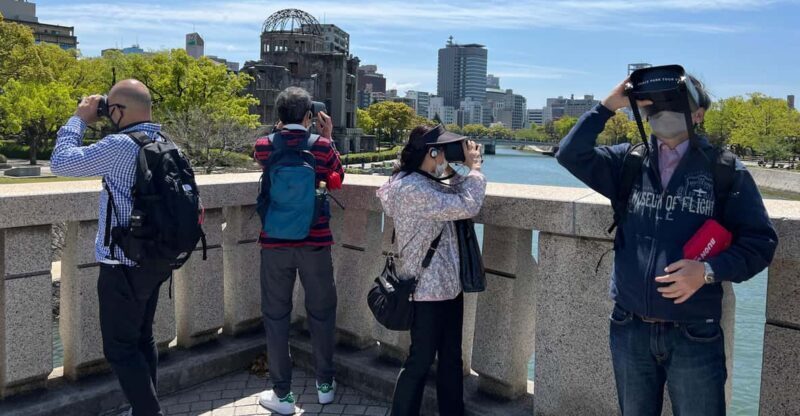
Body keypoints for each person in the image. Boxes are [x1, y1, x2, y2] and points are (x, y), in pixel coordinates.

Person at [556, 71, 778, 416]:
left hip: (694, 331)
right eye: (653, 106)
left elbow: (760, 242)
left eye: (673, 103)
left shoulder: (725, 170)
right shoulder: (628, 162)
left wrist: (707, 270)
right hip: (629, 326)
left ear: (699, 114)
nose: (661, 112)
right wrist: (611, 104)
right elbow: (570, 154)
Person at [51, 80, 169, 416]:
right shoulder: (164, 141)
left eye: (110, 110)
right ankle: (144, 407)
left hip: (122, 263)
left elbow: (61, 162)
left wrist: (80, 120)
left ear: (119, 111)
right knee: (142, 338)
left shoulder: (119, 146)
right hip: (155, 259)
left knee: (119, 348)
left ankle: (149, 413)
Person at [377, 125, 486, 416]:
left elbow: (454, 190)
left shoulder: (421, 179)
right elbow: (469, 204)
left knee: (451, 359)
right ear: (432, 152)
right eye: (443, 149)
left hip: (448, 285)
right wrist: (475, 168)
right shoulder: (413, 188)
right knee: (420, 362)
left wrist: (453, 167)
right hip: (426, 289)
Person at [254, 87, 345, 415]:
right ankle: (324, 385)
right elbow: (339, 174)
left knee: (276, 317)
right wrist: (328, 136)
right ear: (310, 116)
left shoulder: (264, 146)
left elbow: (261, 155)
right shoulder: (320, 147)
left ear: (278, 116)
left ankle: (282, 394)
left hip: (275, 243)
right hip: (315, 241)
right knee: (321, 312)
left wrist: (278, 130)